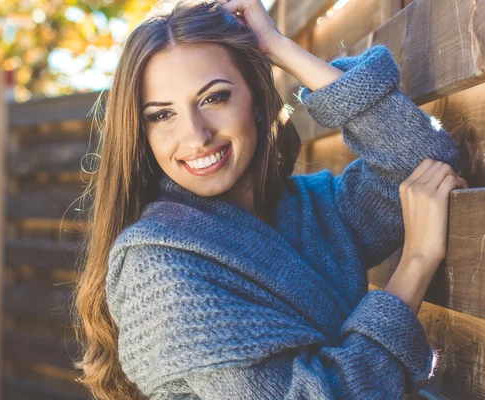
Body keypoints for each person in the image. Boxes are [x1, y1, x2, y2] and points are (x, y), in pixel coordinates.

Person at [72, 0, 469, 398]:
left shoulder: (311, 209)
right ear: (142, 133)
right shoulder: (155, 262)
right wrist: (414, 266)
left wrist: (279, 46)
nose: (195, 135)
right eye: (161, 115)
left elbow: (423, 160)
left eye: (214, 98)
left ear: (258, 102)